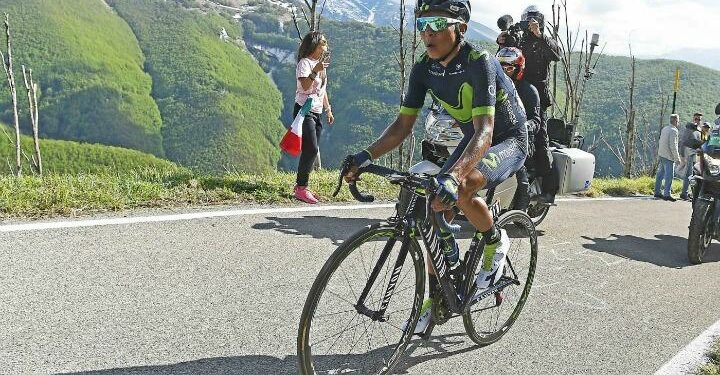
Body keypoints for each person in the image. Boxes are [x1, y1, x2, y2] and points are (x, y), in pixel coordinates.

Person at [345, 0, 528, 334]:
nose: (426, 33)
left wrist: (455, 175)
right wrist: (365, 156)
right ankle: (439, 293)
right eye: (421, 23)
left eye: (435, 24)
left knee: (462, 184)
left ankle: (493, 240)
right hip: (473, 136)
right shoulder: (423, 69)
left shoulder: (479, 62)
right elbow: (402, 126)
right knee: (434, 208)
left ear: (459, 28)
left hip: (507, 138)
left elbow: (487, 131)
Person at [496, 47, 543, 210]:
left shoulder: (529, 91)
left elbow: (536, 121)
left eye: (508, 68)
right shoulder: (494, 88)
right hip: (496, 137)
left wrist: (523, 125)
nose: (504, 72)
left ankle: (521, 211)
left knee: (519, 170)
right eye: (500, 68)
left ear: (518, 69)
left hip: (520, 139)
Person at [292, 31, 335, 204]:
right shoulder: (305, 63)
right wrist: (314, 72)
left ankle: (302, 187)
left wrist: (328, 109)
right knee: (310, 148)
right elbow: (304, 86)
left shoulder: (320, 65)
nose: (326, 45)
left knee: (312, 149)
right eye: (323, 42)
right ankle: (301, 188)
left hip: (316, 111)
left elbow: (322, 90)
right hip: (304, 109)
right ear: (315, 45)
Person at [655, 114, 681, 202]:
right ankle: (667, 194)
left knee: (660, 174)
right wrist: (677, 158)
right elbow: (673, 145)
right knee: (669, 175)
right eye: (678, 120)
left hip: (661, 154)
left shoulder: (665, 128)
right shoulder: (674, 131)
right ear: (675, 121)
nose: (678, 122)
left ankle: (657, 192)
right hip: (669, 156)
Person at [679, 113, 703, 200]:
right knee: (688, 174)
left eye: (699, 119)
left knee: (694, 174)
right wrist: (682, 154)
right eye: (696, 119)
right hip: (689, 153)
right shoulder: (688, 128)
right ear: (693, 119)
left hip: (696, 154)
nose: (697, 121)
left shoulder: (699, 130)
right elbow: (683, 141)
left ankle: (690, 193)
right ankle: (684, 193)